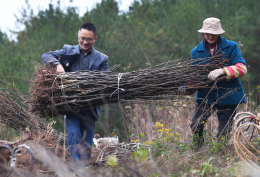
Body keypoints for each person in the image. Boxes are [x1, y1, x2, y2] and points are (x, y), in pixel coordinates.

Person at [41, 22, 109, 165]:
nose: (85, 42)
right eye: (82, 38)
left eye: (89, 39)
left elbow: (104, 82)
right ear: (78, 36)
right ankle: (78, 168)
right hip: (71, 105)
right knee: (73, 134)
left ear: (95, 39)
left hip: (91, 107)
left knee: (87, 142)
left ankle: (82, 168)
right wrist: (57, 64)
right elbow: (46, 55)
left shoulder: (102, 59)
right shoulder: (68, 51)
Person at [189, 17, 247, 148]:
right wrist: (188, 88)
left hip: (228, 95)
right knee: (196, 125)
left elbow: (242, 68)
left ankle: (220, 157)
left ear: (219, 33)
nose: (210, 36)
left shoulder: (231, 47)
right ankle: (198, 152)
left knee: (223, 132)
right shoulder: (195, 52)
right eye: (207, 33)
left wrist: (223, 71)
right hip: (205, 96)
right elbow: (195, 77)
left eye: (213, 33)